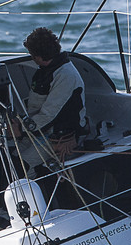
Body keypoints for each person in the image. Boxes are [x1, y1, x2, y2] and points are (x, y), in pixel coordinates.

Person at [16, 26, 88, 171]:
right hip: (41, 129)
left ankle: (35, 189)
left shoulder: (66, 76)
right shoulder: (47, 70)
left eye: (32, 55)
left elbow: (49, 114)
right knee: (7, 158)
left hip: (58, 134)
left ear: (37, 56)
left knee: (20, 166)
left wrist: (21, 129)